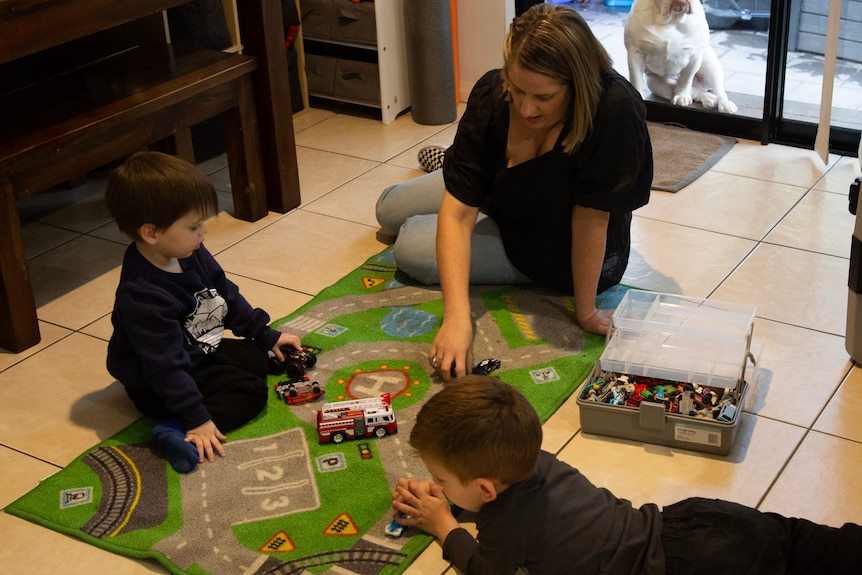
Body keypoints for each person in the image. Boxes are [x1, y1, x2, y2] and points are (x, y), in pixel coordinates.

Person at [376, 3, 652, 380]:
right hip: (503, 192)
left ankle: (456, 167)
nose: (526, 108)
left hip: (551, 243)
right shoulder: (493, 92)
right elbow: (457, 215)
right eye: (518, 89)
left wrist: (585, 311)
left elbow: (591, 219)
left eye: (544, 97)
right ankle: (460, 164)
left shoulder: (615, 110)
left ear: (578, 83)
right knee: (388, 210)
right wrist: (458, 319)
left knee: (409, 247)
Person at [392, 375, 862, 575]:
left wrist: (443, 523)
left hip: (689, 570)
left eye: (441, 477)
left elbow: (484, 569)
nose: (436, 484)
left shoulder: (504, 528)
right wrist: (448, 497)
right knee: (807, 545)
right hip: (701, 522)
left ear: (485, 487)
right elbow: (492, 499)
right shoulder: (538, 460)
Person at [105, 151, 300, 474]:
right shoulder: (143, 296)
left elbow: (225, 294)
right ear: (151, 233)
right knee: (250, 394)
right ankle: (176, 429)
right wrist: (197, 418)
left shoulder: (187, 250)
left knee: (255, 356)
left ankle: (205, 400)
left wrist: (266, 335)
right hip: (157, 384)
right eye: (194, 226)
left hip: (194, 353)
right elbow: (164, 368)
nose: (203, 232)